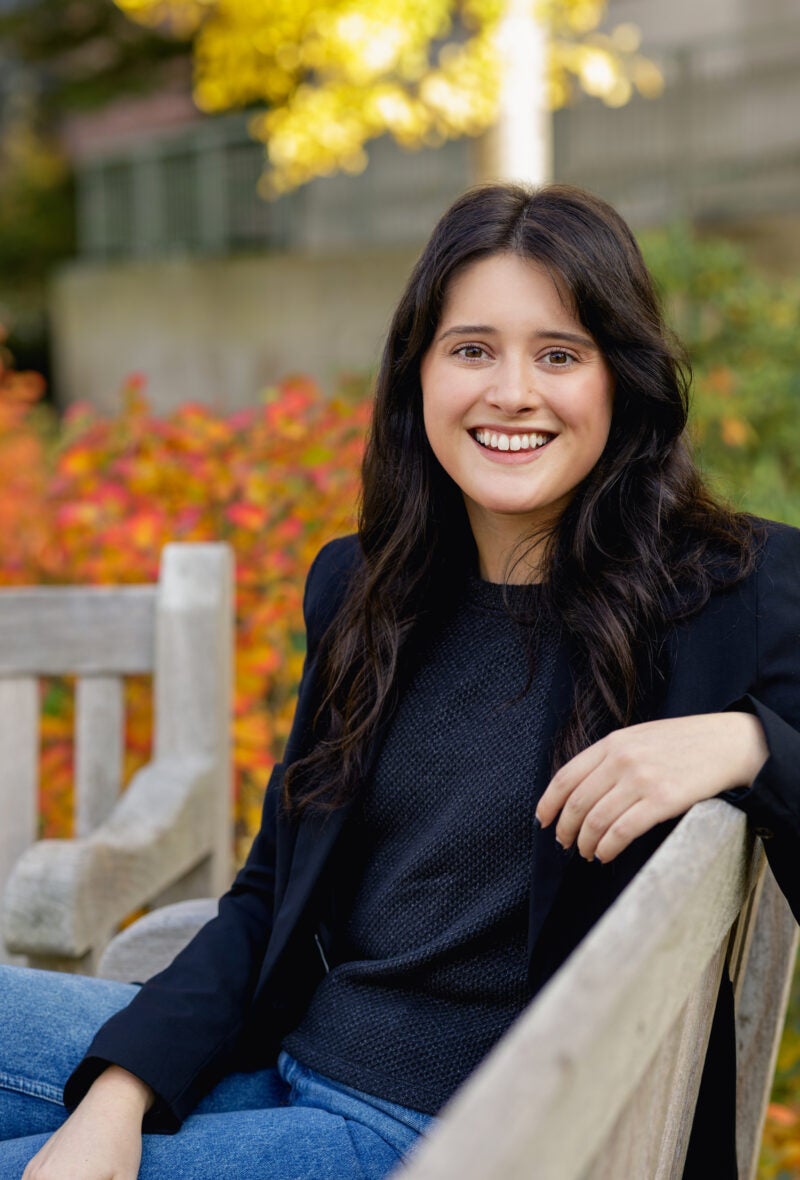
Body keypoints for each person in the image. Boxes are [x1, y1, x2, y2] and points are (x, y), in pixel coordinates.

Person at [2, 182, 799, 1180]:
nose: (510, 391)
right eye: (471, 349)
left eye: (557, 353)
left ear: (618, 380)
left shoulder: (731, 588)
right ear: (417, 374)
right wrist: (119, 1096)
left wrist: (750, 743)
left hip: (460, 1138)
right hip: (288, 1051)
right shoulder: (364, 585)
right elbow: (266, 895)